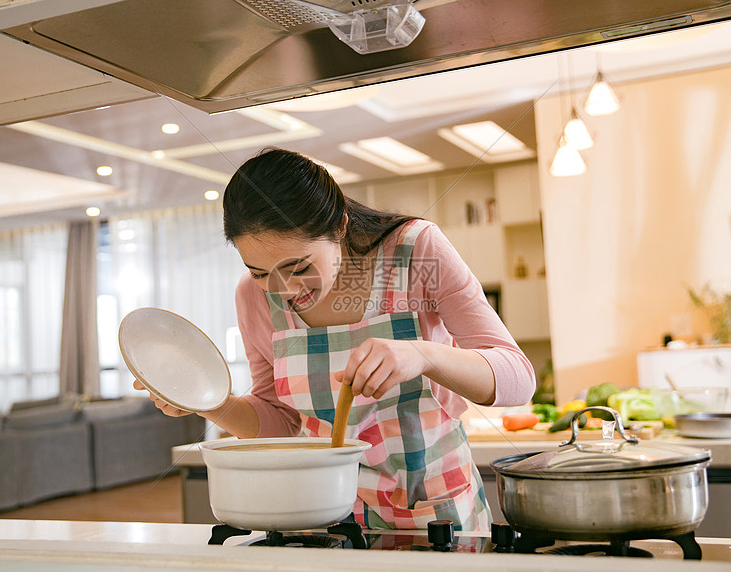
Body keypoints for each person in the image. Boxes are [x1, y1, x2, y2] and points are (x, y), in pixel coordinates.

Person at [136, 148, 535, 531]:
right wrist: (207, 401)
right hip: (323, 514)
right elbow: (283, 424)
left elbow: (518, 378)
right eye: (259, 272)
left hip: (434, 511)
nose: (285, 290)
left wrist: (422, 355)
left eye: (299, 266)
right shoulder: (253, 297)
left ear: (340, 226)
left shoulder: (415, 251)